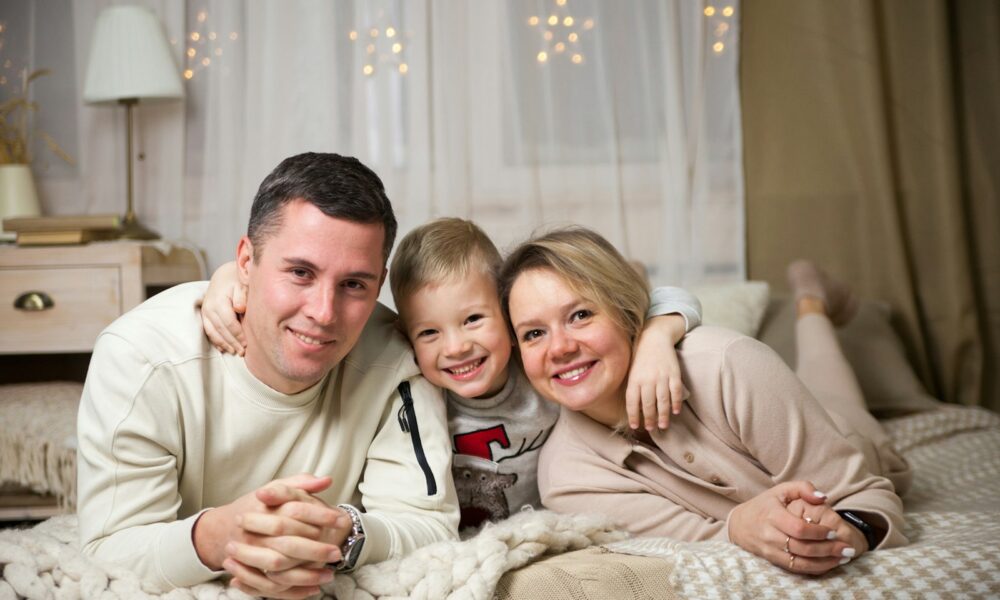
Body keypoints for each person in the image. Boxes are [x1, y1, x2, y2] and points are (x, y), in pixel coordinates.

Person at [76, 153, 459, 599]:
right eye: (300, 272)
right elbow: (108, 548)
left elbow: (431, 526)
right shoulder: (141, 357)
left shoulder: (398, 363)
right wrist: (214, 537)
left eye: (354, 284)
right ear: (245, 261)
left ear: (379, 284)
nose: (323, 312)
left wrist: (343, 533)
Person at [202, 217, 704, 530]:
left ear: (509, 317)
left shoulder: (540, 365)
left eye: (472, 320)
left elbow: (652, 296)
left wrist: (658, 337)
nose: (456, 347)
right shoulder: (410, 384)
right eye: (430, 334)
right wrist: (229, 280)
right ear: (407, 336)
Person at [498, 227, 911, 575]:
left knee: (835, 390)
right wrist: (737, 528)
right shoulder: (566, 479)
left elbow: (863, 495)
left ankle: (811, 299)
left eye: (580, 315)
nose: (560, 348)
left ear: (627, 315)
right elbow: (696, 541)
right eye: (534, 334)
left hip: (842, 431)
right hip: (745, 400)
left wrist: (850, 529)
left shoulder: (726, 364)